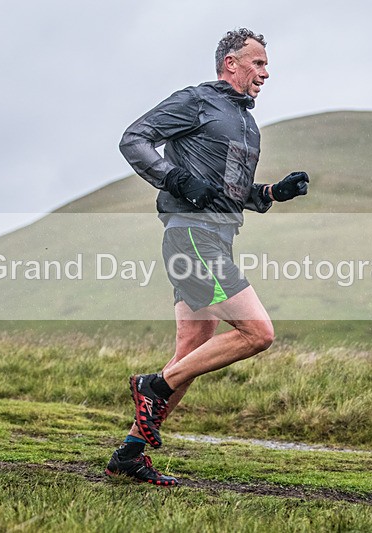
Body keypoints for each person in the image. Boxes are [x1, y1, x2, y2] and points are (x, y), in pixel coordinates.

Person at [105, 28, 309, 486]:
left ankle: (130, 454)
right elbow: (134, 139)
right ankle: (151, 387)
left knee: (191, 353)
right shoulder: (197, 101)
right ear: (231, 63)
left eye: (266, 64)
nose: (266, 71)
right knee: (257, 333)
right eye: (258, 63)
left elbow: (232, 193)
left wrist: (272, 192)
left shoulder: (245, 123)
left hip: (215, 235)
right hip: (192, 235)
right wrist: (174, 179)